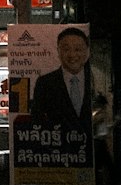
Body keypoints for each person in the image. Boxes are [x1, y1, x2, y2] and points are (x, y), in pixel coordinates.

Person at [29, 27, 94, 164]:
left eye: (77, 49)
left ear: (87, 52)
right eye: (66, 49)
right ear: (58, 51)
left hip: (90, 155)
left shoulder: (94, 80)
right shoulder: (45, 83)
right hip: (58, 156)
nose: (72, 55)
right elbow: (37, 120)